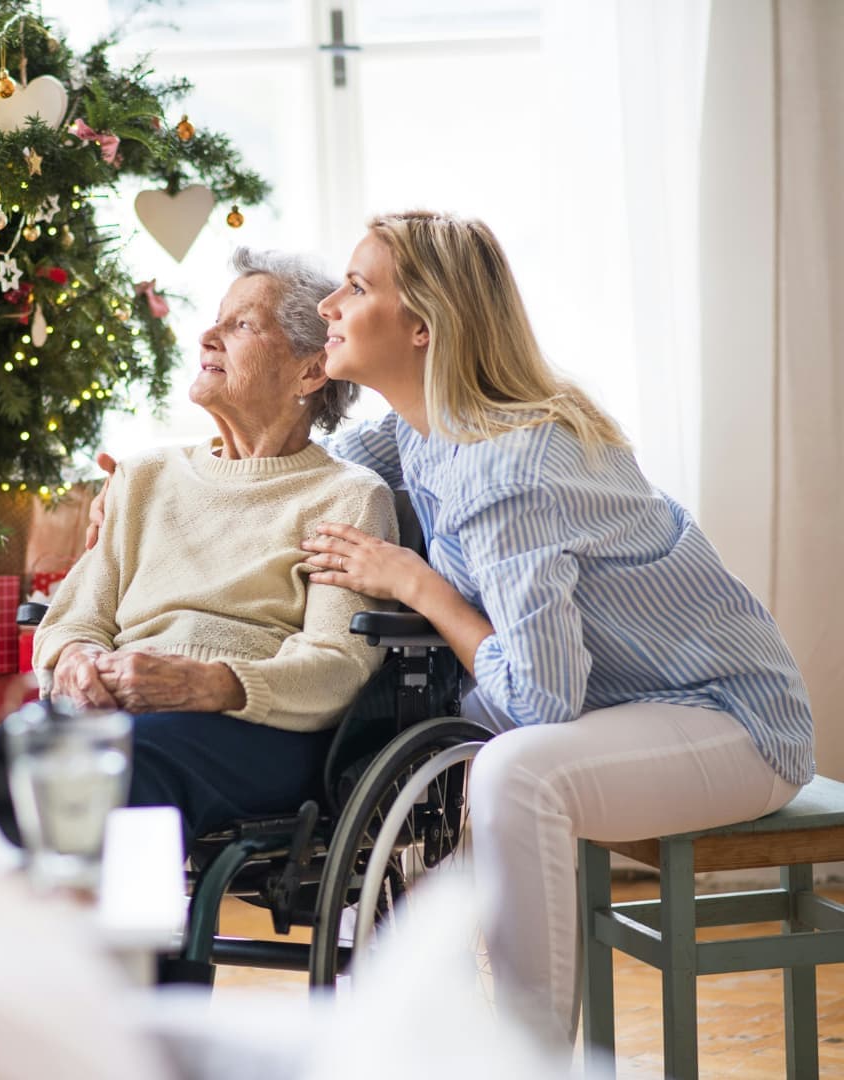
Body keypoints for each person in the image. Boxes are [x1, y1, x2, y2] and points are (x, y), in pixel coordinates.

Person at [291, 210, 814, 1050]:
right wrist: (156, 490)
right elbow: (303, 482)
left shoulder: (514, 465)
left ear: (421, 325)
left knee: (517, 771)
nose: (328, 306)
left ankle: (527, 1062)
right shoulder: (420, 434)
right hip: (632, 710)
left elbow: (538, 701)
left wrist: (420, 586)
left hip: (735, 720)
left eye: (356, 287)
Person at [0, 248, 397, 845]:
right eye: (217, 319)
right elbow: (74, 621)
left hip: (259, 731)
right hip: (124, 711)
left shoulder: (345, 497)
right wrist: (76, 665)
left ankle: (101, 935)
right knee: (10, 751)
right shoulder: (142, 478)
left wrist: (211, 683)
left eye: (242, 324)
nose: (207, 336)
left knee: (112, 768)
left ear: (309, 371)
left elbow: (337, 665)